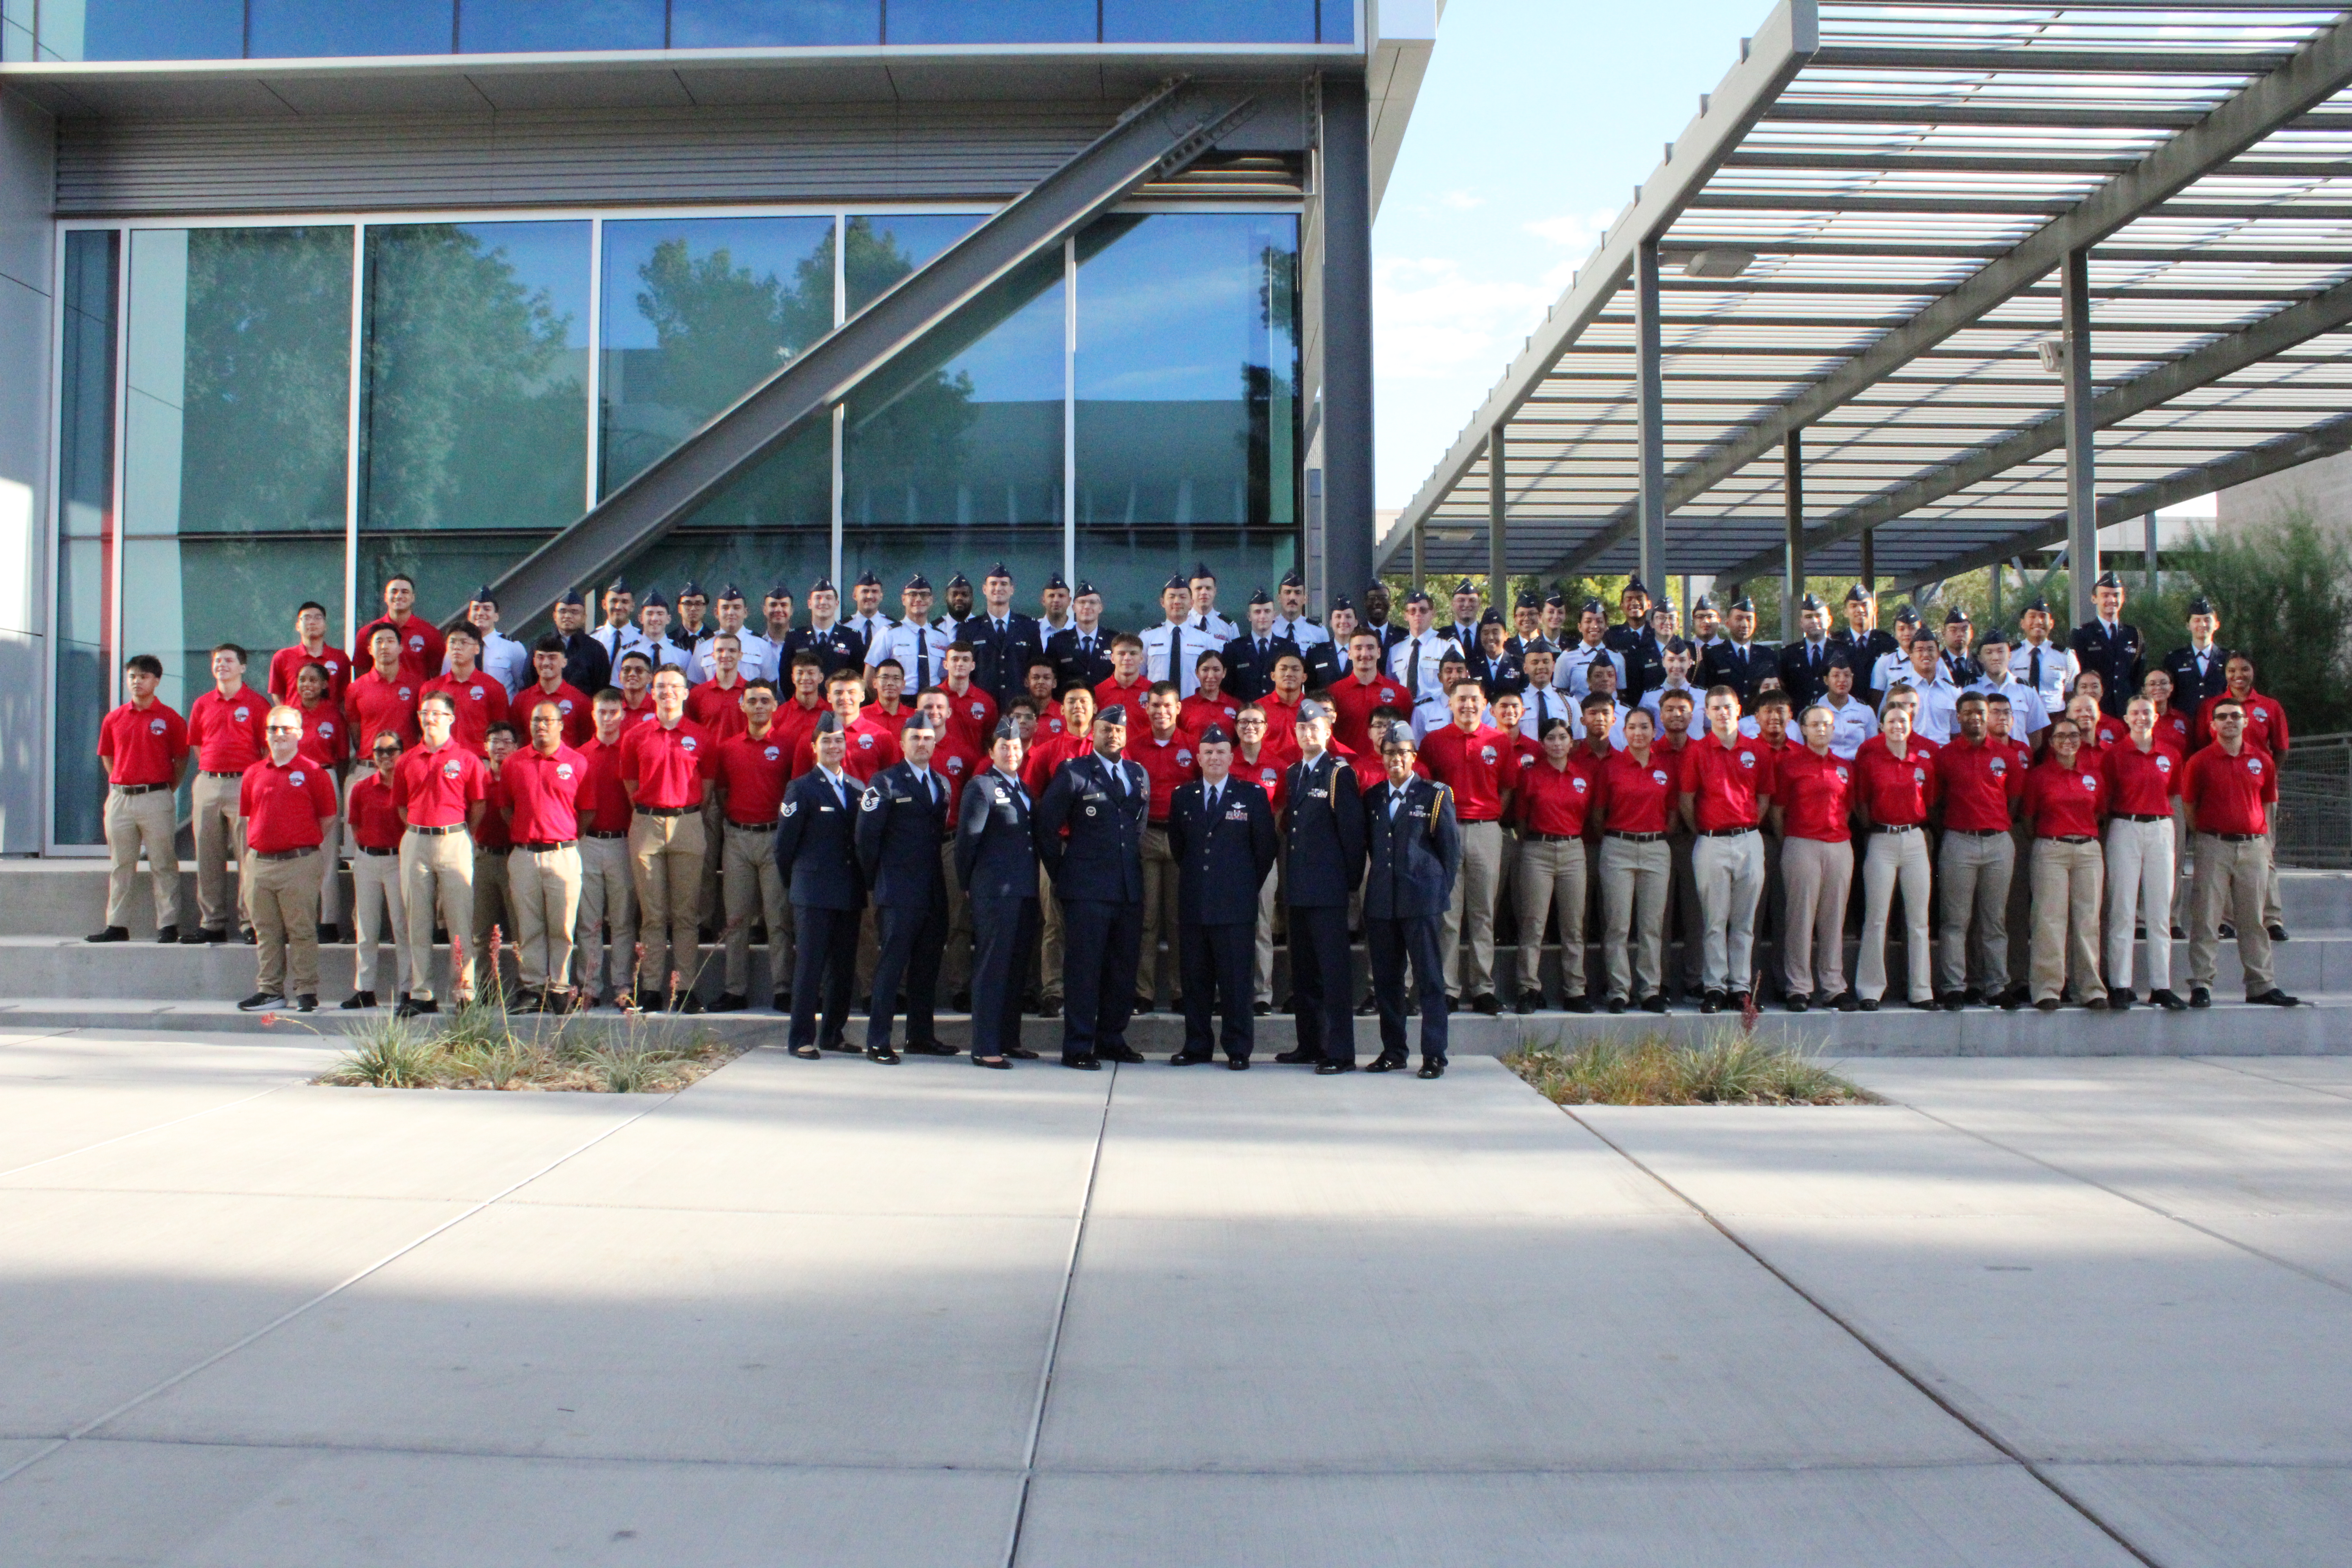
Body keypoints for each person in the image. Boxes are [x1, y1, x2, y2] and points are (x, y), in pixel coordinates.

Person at [1037, 703, 1151, 1069]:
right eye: (1106, 729)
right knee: (1084, 970)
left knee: (1122, 970)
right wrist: (1064, 872)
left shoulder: (1137, 773)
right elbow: (1046, 828)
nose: (1113, 735)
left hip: (1127, 887)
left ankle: (1113, 1039)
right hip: (1086, 888)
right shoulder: (1074, 773)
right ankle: (1079, 1045)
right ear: (1093, 734)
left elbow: (1136, 829)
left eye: (1119, 730)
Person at [1166, 723, 1278, 1067]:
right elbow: (1179, 848)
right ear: (1198, 758)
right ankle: (1197, 1045)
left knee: (1235, 983)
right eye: (1208, 753)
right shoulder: (1183, 797)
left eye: (1221, 752)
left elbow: (1264, 851)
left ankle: (1238, 1048)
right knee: (1196, 982)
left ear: (1232, 757)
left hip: (1235, 905)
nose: (1214, 758)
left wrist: (1241, 885)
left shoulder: (1253, 796)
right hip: (1196, 903)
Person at [2181, 698, 2300, 1009]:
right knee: (2206, 917)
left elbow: (2266, 802)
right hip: (2214, 845)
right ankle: (2202, 984)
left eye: (2236, 716)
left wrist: (2263, 841)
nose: (2229, 721)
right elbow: (2190, 807)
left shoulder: (2262, 760)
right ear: (2213, 725)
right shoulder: (2200, 762)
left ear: (2246, 722)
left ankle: (2261, 984)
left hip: (2253, 847)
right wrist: (2209, 836)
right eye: (2222, 717)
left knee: (2253, 919)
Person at [858, 710, 959, 1062]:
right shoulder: (884, 783)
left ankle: (920, 1036)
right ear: (902, 743)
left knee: (927, 966)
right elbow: (866, 839)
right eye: (915, 738)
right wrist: (877, 881)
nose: (922, 744)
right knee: (891, 966)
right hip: (898, 890)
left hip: (932, 889)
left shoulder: (942, 784)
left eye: (928, 738)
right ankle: (878, 1041)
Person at [1363, 730, 1459, 1076]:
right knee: (1388, 982)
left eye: (1402, 752)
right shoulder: (1373, 797)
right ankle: (1394, 1051)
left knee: (1429, 980)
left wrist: (1434, 894)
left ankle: (1434, 1054)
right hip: (1383, 902)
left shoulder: (1435, 795)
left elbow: (1450, 855)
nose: (1395, 759)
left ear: (1414, 756)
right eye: (1389, 753)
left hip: (1421, 902)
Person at [621, 667, 716, 1012]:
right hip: (647, 823)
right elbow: (631, 784)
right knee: (652, 915)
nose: (668, 693)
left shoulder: (701, 736)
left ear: (686, 693)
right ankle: (650, 989)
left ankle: (686, 989)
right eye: (661, 687)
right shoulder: (636, 735)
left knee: (686, 914)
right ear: (653, 691)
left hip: (688, 823)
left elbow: (706, 789)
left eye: (674, 687)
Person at [1276, 700, 1364, 1072]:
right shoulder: (1295, 772)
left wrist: (1348, 884)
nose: (1308, 734)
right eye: (1302, 728)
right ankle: (1310, 1044)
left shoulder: (1338, 774)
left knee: (1334, 974)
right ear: (1295, 733)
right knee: (1304, 973)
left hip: (1327, 891)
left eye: (1315, 728)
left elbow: (1352, 834)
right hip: (1299, 888)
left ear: (1328, 732)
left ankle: (1340, 1051)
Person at [773, 713, 867, 1058]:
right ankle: (801, 1038)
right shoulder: (801, 788)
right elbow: (784, 848)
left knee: (843, 969)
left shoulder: (858, 789)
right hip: (812, 892)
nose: (833, 746)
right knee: (810, 967)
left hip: (848, 891)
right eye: (826, 741)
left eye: (839, 740)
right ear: (814, 748)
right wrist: (796, 883)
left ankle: (833, 1033)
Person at [233, 705, 338, 1013]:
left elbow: (327, 819)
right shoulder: (253, 773)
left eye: (286, 729)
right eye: (273, 729)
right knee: (266, 931)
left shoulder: (313, 773)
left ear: (300, 734)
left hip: (299, 863)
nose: (279, 735)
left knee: (301, 929)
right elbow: (246, 817)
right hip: (260, 863)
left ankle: (306, 991)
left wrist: (298, 841)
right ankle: (270, 990)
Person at [1418, 677, 1511, 1014]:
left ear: (1485, 704)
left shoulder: (1498, 741)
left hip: (1487, 830)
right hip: (1446, 831)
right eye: (1461, 699)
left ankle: (1484, 987)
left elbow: (1507, 788)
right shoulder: (1433, 742)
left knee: (1484, 912)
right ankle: (1448, 988)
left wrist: (1489, 815)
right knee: (1448, 914)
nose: (1468, 705)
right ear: (1450, 703)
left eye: (1475, 699)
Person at [1679, 686, 1774, 1012]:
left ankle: (1741, 987)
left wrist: (1746, 827)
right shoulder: (1698, 751)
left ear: (1739, 709)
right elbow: (1687, 801)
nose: (1722, 713)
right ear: (1706, 713)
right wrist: (1706, 832)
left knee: (1744, 921)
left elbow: (1764, 796)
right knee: (1715, 920)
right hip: (1711, 842)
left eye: (1728, 707)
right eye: (1715, 708)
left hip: (1748, 839)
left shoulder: (1756, 750)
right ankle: (1715, 987)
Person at [392, 693, 488, 1016]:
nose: (429, 718)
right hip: (417, 841)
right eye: (424, 713)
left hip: (454, 839)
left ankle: (464, 992)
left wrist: (460, 833)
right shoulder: (407, 760)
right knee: (417, 922)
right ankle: (422, 993)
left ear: (451, 718)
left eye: (436, 713)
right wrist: (420, 830)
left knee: (460, 920)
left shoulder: (467, 759)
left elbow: (478, 804)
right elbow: (402, 805)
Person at [957, 719, 1043, 1067]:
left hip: (1023, 890)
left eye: (1017, 747)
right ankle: (985, 1045)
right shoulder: (982, 787)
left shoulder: (1024, 789)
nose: (1012, 752)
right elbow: (968, 843)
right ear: (991, 751)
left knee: (1015, 969)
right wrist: (968, 884)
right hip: (993, 892)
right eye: (1005, 747)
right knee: (992, 968)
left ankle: (1009, 1039)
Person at [89, 653, 190, 946]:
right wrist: (122, 781)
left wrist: (166, 789)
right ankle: (117, 924)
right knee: (121, 864)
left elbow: (181, 759)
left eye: (144, 677)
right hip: (121, 799)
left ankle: (168, 924)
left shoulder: (170, 718)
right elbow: (107, 756)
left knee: (163, 862)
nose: (137, 681)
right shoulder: (115, 718)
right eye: (133, 676)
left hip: (156, 797)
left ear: (157, 681)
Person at [1931, 693, 2021, 1009]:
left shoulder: (2006, 756)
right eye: (1968, 712)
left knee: (1994, 920)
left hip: (1998, 842)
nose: (1975, 717)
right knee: (1955, 920)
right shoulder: (1945, 756)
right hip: (1959, 841)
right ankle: (1955, 985)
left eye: (1980, 712)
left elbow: (2014, 799)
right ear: (1958, 717)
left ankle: (1996, 985)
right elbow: (1935, 801)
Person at [2193, 654, 2291, 942]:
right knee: (2222, 857)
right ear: (2225, 674)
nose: (2239, 675)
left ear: (2253, 672)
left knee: (2265, 852)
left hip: (2258, 789)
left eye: (2245, 669)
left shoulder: (2270, 707)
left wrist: (2265, 778)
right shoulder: (2211, 707)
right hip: (2220, 790)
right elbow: (2202, 745)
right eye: (2232, 670)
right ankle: (2227, 921)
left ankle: (2271, 917)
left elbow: (2281, 748)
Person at [708, 680, 792, 1013]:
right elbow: (721, 793)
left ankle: (783, 989)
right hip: (738, 840)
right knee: (737, 919)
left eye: (765, 701)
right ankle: (735, 989)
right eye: (752, 701)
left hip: (774, 838)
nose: (759, 706)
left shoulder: (787, 745)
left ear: (775, 707)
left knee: (778, 918)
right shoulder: (727, 748)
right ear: (742, 707)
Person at [499, 698, 588, 1013]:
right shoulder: (514, 763)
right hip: (525, 855)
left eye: (548, 721)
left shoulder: (577, 763)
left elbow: (586, 811)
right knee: (529, 926)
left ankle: (561, 988)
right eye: (536, 720)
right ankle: (533, 989)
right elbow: (507, 808)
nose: (541, 726)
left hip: (563, 854)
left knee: (563, 926)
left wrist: (561, 834)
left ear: (561, 726)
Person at [2102, 696, 2186, 1010]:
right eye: (2135, 713)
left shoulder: (2171, 754)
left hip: (2161, 828)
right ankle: (2120, 983)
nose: (2141, 718)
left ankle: (2161, 985)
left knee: (2159, 911)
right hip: (2126, 826)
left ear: (2155, 717)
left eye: (2147, 713)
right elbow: (2107, 795)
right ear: (2126, 718)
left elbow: (2174, 792)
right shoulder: (2114, 755)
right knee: (2123, 908)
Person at [1511, 716, 1600, 1013]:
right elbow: (1521, 819)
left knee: (1574, 925)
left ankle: (1575, 989)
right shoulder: (1531, 775)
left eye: (1563, 737)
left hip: (1574, 849)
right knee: (1533, 924)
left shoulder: (1584, 776)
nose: (1557, 743)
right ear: (1542, 743)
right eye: (1551, 738)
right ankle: (1528, 988)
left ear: (1572, 741)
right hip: (1538, 849)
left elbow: (1591, 815)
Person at [1853, 702, 1936, 1011]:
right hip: (1881, 840)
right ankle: (1871, 989)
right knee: (1876, 917)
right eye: (1891, 721)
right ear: (1882, 726)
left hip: (1914, 839)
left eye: (1903, 720)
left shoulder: (1922, 763)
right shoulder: (1871, 762)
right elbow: (1861, 803)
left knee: (1918, 919)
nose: (1898, 726)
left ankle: (1921, 989)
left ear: (1911, 725)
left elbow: (1929, 801)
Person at [1774, 705, 1857, 1012]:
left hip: (1838, 844)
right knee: (1800, 918)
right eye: (1815, 725)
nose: (1822, 729)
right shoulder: (1790, 765)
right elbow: (1778, 810)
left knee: (1834, 918)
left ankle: (1834, 986)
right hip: (1802, 843)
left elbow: (1848, 807)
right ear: (1804, 729)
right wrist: (1795, 840)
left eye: (1827, 725)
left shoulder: (1845, 767)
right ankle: (1799, 986)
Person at [186, 643, 270, 944]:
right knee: (208, 855)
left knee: (248, 856)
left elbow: (265, 750)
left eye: (229, 661)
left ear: (243, 667)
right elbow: (197, 745)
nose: (222, 665)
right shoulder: (203, 704)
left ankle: (250, 923)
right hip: (209, 782)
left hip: (244, 783)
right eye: (218, 661)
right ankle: (212, 922)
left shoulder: (258, 704)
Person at [1595, 706, 1675, 1013]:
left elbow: (1672, 810)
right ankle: (1618, 990)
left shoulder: (1665, 767)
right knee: (1618, 924)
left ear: (1655, 732)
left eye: (1645, 727)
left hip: (1656, 848)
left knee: (1651, 925)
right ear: (1624, 731)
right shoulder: (1612, 766)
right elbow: (1599, 812)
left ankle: (1649, 989)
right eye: (1633, 727)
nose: (1639, 733)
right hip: (1619, 847)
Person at [1129, 684, 1200, 1013]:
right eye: (1155, 705)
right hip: (1145, 836)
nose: (1161, 711)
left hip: (1181, 838)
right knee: (1146, 919)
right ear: (1147, 708)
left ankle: (1181, 991)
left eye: (1167, 705)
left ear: (1179, 708)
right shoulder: (1134, 746)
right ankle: (1142, 992)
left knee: (1178, 920)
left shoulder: (1192, 745)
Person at [573, 691, 640, 1009]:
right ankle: (589, 986)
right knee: (589, 920)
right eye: (603, 711)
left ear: (623, 715)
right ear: (593, 714)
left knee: (624, 919)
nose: (608, 718)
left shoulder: (632, 750)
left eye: (614, 712)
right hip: (588, 841)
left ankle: (623, 985)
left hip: (624, 842)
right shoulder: (579, 755)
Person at [339, 731, 407, 1009]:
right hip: (367, 859)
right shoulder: (361, 788)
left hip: (399, 860)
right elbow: (355, 825)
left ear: (402, 753)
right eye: (379, 752)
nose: (385, 757)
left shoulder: (408, 786)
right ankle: (365, 989)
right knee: (366, 928)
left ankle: (408, 990)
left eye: (392, 751)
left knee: (402, 927)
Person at [421, 624, 512, 754]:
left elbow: (500, 731)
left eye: (464, 642)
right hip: (440, 759)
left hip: (480, 761)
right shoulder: (431, 689)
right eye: (452, 642)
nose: (457, 647)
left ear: (477, 648)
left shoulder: (493, 687)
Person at [2069, 569, 2143, 718]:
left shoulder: (2134, 634)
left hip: (2126, 712)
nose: (2112, 600)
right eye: (2106, 596)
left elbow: (2138, 676)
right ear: (2094, 599)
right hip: (2095, 712)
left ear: (2123, 599)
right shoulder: (2082, 635)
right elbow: (2078, 676)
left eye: (2116, 595)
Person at [355, 573, 445, 684]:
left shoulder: (430, 633)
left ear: (413, 598)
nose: (399, 596)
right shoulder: (367, 633)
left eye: (405, 592)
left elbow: (438, 675)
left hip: (418, 699)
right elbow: (361, 673)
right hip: (380, 698)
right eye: (394, 592)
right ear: (386, 597)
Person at [1143, 574, 1221, 698]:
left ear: (1191, 603)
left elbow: (1215, 678)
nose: (1177, 602)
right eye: (1172, 597)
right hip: (1160, 709)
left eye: (1182, 597)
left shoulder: (1206, 639)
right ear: (1162, 602)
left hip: (1194, 709)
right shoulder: (1148, 637)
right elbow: (1140, 676)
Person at [1387, 589, 1460, 708]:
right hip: (1404, 711)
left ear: (1433, 613)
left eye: (1423, 610)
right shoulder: (1396, 649)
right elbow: (1390, 686)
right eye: (1412, 611)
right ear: (1406, 616)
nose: (1418, 614)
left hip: (1437, 712)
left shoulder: (1448, 646)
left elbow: (1459, 685)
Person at [520, 634, 595, 748]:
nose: (546, 663)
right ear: (534, 662)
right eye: (541, 657)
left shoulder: (581, 701)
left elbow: (587, 743)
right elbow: (519, 740)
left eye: (552, 657)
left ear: (564, 662)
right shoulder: (521, 701)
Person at [1832, 584, 1900, 708]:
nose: (1860, 610)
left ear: (1874, 610)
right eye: (1854, 606)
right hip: (1845, 708)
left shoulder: (1888, 643)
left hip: (1881, 709)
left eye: (1865, 605)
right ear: (1845, 612)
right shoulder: (1835, 643)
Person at [270, 601, 350, 706]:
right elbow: (277, 693)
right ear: (298, 626)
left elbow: (344, 696)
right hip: (296, 720)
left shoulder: (340, 658)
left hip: (330, 721)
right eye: (306, 618)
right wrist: (288, 715)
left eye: (318, 618)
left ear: (326, 626)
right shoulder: (282, 657)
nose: (312, 622)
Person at [1699, 597, 1774, 708]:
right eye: (1739, 619)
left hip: (1759, 720)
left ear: (1756, 623)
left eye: (1749, 619)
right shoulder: (1713, 655)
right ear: (1728, 623)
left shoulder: (1767, 655)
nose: (1745, 624)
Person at [2161, 596, 2231, 715]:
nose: (2203, 624)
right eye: (2197, 620)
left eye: (2207, 620)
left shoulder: (2228, 658)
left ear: (2217, 625)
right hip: (2184, 723)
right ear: (2188, 625)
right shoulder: (2175, 659)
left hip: (2219, 724)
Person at [1220, 589, 1292, 703]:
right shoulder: (1234, 650)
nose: (1262, 616)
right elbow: (1227, 690)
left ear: (1274, 615)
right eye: (1257, 612)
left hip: (1278, 713)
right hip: (1246, 715)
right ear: (1249, 616)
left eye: (1267, 611)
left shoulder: (1289, 648)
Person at [1046, 581, 1116, 690]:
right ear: (1074, 608)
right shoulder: (1058, 642)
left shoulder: (1113, 640)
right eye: (1082, 602)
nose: (1087, 607)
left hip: (1105, 704)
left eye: (1093, 603)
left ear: (1101, 608)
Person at [1775, 593, 1838, 708]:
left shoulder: (1842, 651)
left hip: (1835, 716)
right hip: (1799, 716)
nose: (1814, 621)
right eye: (1809, 617)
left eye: (1819, 616)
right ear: (1801, 623)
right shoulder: (1788, 655)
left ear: (1829, 620)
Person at [592, 579, 654, 670]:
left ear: (633, 606)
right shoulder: (592, 640)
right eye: (614, 601)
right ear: (604, 604)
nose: (619, 607)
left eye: (625, 602)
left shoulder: (645, 641)